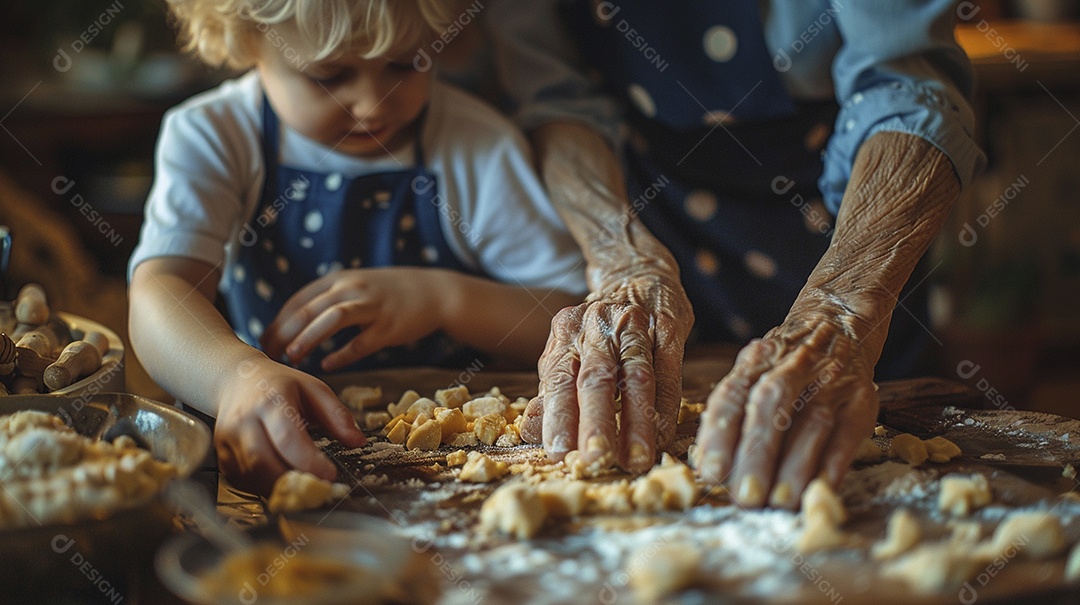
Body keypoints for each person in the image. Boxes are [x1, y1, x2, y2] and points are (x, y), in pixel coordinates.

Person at [488, 0, 984, 506]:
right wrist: (625, 262)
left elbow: (909, 92)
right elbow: (560, 105)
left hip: (853, 242)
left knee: (877, 486)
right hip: (662, 218)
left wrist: (840, 308)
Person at [128, 0, 587, 494]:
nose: (373, 103)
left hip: (457, 464)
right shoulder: (215, 136)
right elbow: (161, 291)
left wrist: (444, 301)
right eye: (329, 75)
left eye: (406, 63)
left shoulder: (479, 146)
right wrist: (232, 377)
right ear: (247, 40)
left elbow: (568, 317)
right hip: (280, 440)